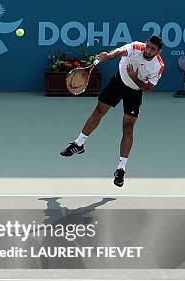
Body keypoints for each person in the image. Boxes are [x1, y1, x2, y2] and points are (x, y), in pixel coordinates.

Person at [60, 35, 165, 187]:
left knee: (128, 128)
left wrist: (134, 78)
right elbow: (121, 51)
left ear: (158, 51)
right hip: (118, 82)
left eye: (152, 49)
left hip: (135, 92)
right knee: (99, 111)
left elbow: (149, 88)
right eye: (148, 46)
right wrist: (109, 56)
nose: (148, 50)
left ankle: (121, 169)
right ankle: (79, 143)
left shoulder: (158, 66)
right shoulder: (137, 47)